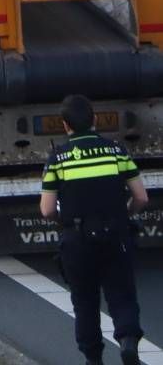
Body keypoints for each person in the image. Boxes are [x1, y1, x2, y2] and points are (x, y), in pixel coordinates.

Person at [40, 93, 147, 365]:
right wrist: (124, 217)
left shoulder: (58, 159)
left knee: (85, 301)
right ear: (95, 120)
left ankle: (93, 358)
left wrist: (63, 224)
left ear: (65, 125)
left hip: (77, 240)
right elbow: (141, 197)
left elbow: (47, 209)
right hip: (115, 234)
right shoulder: (116, 151)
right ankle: (127, 341)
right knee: (121, 294)